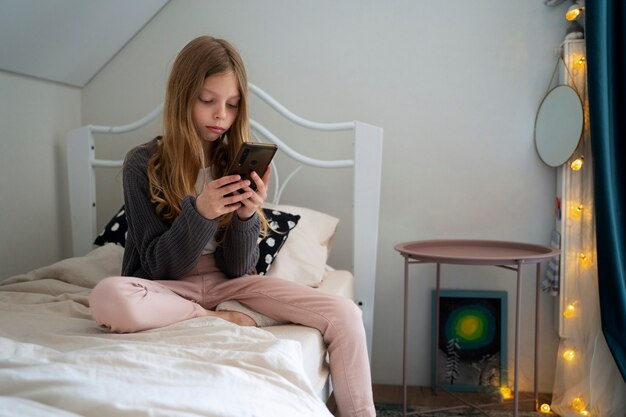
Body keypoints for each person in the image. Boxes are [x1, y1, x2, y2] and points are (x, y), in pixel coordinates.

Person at [89, 36, 375, 417]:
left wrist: (245, 216)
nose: (221, 115)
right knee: (107, 297)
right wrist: (201, 212)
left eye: (233, 104)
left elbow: (240, 268)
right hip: (167, 288)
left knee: (345, 314)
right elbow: (157, 266)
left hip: (232, 284)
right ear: (182, 97)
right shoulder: (142, 164)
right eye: (208, 100)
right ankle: (221, 318)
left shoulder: (235, 159)